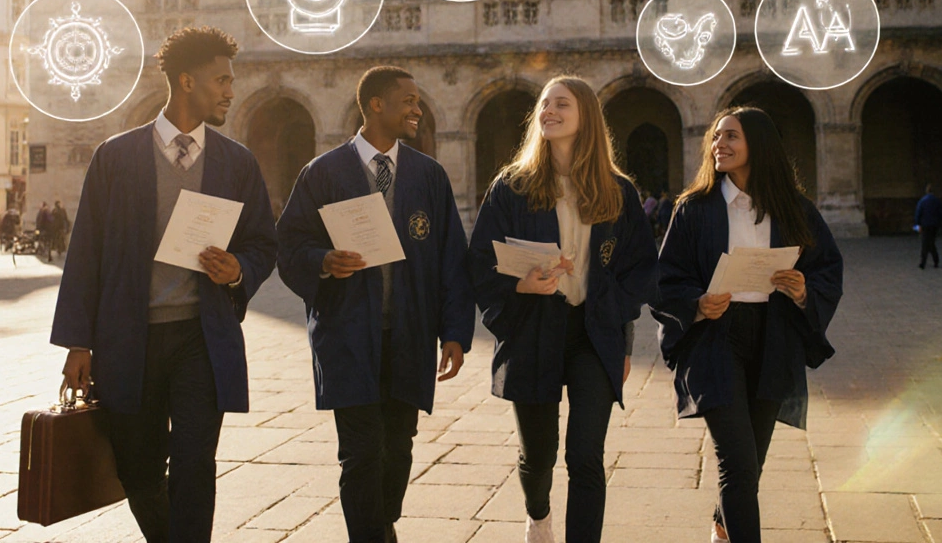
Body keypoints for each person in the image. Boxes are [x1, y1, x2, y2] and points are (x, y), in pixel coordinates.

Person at [51, 26, 278, 543]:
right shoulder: (116, 156)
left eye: (231, 81)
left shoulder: (237, 162)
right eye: (221, 80)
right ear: (186, 81)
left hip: (203, 336)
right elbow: (86, 252)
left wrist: (238, 268)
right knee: (139, 468)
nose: (230, 91)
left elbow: (265, 243)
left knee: (196, 464)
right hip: (129, 340)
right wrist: (77, 342)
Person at [276, 66, 475, 543]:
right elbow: (289, 247)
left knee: (399, 447)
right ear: (376, 105)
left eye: (418, 101)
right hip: (346, 334)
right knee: (361, 451)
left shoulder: (428, 174)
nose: (417, 108)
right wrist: (324, 260)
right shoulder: (323, 173)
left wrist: (453, 331)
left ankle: (381, 525)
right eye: (407, 100)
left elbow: (451, 257)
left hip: (408, 333)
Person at [468, 77, 659, 543]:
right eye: (545, 104)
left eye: (562, 104)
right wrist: (522, 286)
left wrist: (625, 340)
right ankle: (538, 517)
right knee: (538, 455)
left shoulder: (618, 191)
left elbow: (637, 270)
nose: (549, 111)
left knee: (586, 456)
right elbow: (480, 263)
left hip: (593, 334)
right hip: (532, 327)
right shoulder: (511, 187)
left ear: (586, 116)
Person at [652, 107, 843, 543]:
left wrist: (801, 290)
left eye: (731, 136)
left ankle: (723, 522)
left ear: (758, 144)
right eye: (716, 137)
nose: (719, 144)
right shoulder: (694, 210)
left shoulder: (795, 210)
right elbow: (666, 279)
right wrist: (698, 304)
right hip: (714, 337)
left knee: (751, 460)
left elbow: (827, 268)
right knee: (736, 462)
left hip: (773, 337)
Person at [914, 184, 942, 269]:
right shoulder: (937, 201)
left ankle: (923, 262)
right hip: (934, 225)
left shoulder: (922, 201)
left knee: (925, 243)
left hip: (924, 224)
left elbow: (918, 213)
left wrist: (917, 225)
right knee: (931, 242)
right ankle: (936, 260)